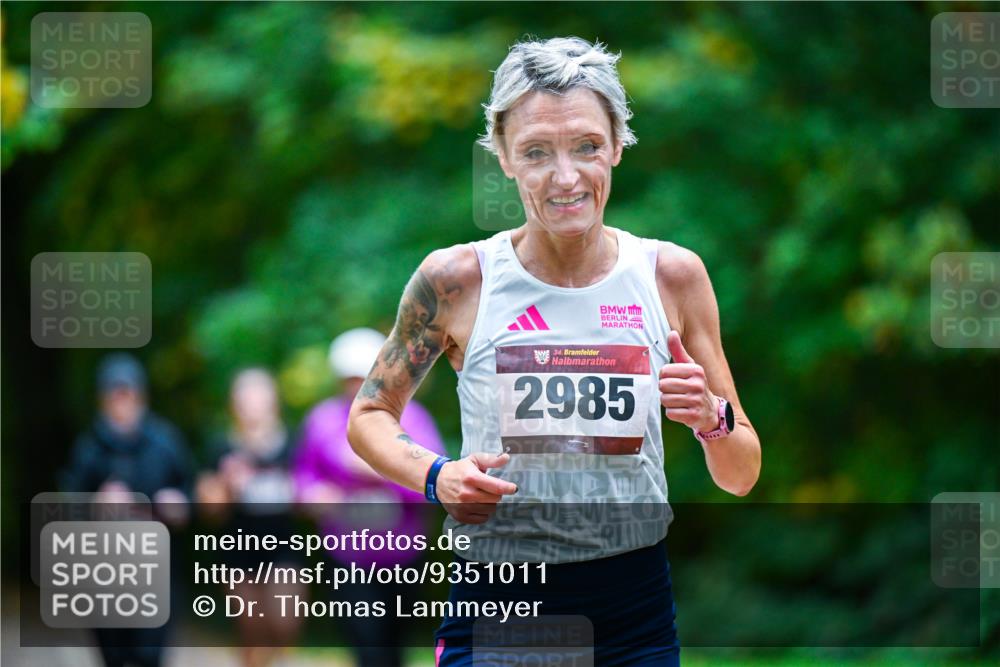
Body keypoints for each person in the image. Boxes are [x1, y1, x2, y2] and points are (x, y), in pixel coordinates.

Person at [346, 36, 762, 666]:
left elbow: (742, 473)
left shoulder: (671, 276)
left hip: (632, 606)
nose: (565, 178)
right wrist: (437, 476)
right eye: (537, 153)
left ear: (618, 147)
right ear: (505, 159)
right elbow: (368, 416)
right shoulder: (457, 280)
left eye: (587, 147)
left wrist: (710, 418)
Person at [293, 328, 446, 667]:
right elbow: (304, 474)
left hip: (402, 557)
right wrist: (312, 493)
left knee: (394, 644)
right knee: (364, 642)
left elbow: (436, 484)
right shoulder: (322, 420)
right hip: (347, 556)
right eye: (349, 378)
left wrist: (381, 471)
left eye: (363, 376)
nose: (356, 386)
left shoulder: (413, 419)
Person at [61, 352, 193, 667]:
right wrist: (95, 505)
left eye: (128, 393)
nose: (122, 402)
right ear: (102, 399)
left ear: (141, 395)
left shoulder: (166, 442)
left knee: (150, 656)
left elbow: (193, 493)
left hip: (156, 569)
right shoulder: (88, 447)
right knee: (114, 656)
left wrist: (178, 504)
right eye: (115, 394)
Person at [195, 368, 304, 667]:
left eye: (259, 395)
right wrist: (227, 484)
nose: (252, 403)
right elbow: (208, 509)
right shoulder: (221, 446)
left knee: (285, 622)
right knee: (251, 631)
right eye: (245, 396)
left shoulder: (294, 442)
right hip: (239, 551)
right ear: (234, 404)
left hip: (284, 548)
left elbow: (311, 493)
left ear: (273, 401)